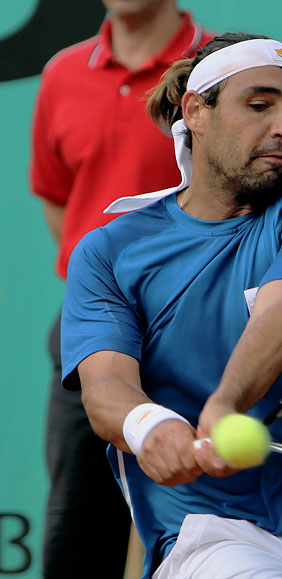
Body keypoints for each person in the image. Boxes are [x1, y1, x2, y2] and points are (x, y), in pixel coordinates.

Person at [61, 32, 282, 579]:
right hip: (210, 535)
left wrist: (224, 405)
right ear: (195, 112)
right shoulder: (109, 252)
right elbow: (105, 384)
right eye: (259, 105)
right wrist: (148, 424)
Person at [28, 1, 214, 577]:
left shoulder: (222, 68)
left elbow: (269, 195)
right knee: (78, 536)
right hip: (92, 332)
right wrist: (105, 287)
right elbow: (59, 200)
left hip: (205, 332)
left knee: (218, 536)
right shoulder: (63, 73)